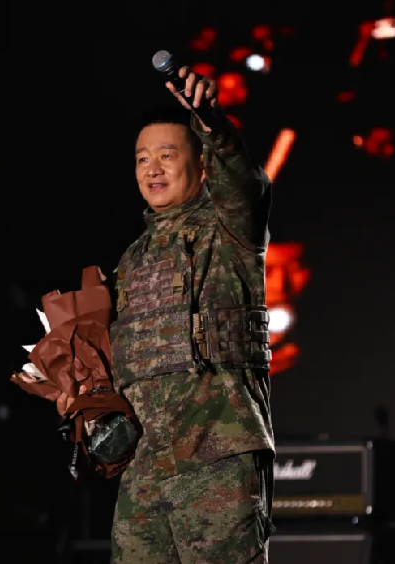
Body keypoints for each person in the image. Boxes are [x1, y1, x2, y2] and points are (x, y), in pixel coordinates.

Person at [106, 65, 276, 563]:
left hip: (216, 455)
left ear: (201, 164)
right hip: (144, 467)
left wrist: (212, 125)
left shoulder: (229, 228)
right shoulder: (131, 260)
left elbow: (243, 183)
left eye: (166, 155)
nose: (152, 168)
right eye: (142, 158)